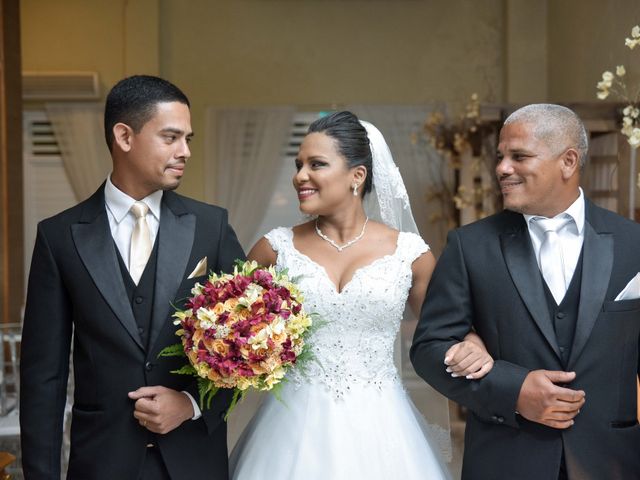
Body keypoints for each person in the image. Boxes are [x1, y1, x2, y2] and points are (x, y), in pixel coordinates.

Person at [229, 111, 492, 479]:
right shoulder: (273, 249)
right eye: (299, 164)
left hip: (383, 428)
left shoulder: (410, 254)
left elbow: (446, 326)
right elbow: (233, 328)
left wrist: (474, 342)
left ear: (357, 175)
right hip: (288, 428)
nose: (300, 176)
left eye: (316, 164)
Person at [20, 75, 245, 479]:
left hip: (193, 460)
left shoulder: (211, 227)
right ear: (124, 136)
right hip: (100, 462)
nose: (186, 151)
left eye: (188, 138)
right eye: (171, 137)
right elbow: (43, 376)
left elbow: (252, 349)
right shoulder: (59, 237)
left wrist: (191, 404)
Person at [411, 103, 640, 480]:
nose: (502, 168)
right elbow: (428, 347)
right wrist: (512, 390)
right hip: (506, 460)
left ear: (568, 162)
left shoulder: (633, 243)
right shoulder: (471, 245)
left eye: (519, 156)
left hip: (613, 461)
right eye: (500, 157)